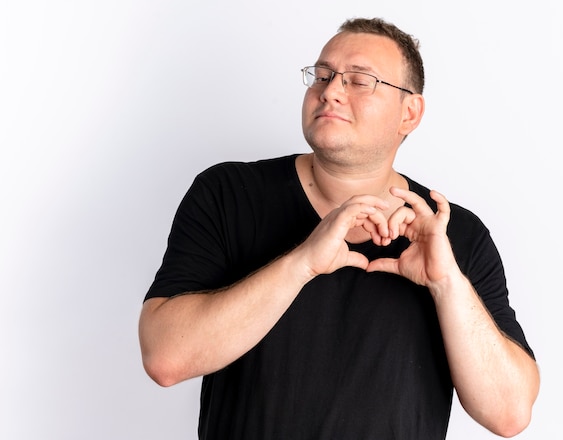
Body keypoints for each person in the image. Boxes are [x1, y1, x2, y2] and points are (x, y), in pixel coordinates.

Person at [139, 17, 540, 439]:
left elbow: (509, 413)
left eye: (359, 80)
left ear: (409, 112)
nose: (330, 91)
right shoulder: (227, 193)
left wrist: (446, 283)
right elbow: (165, 358)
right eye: (323, 76)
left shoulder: (454, 233)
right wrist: (302, 263)